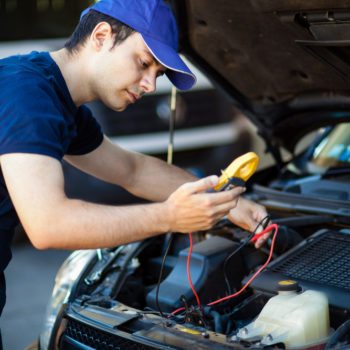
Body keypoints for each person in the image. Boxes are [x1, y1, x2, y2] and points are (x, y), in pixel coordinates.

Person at [0, 0, 269, 346]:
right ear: (101, 36)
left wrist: (228, 203)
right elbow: (48, 225)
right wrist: (171, 216)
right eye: (143, 63)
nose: (150, 85)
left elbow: (133, 170)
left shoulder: (56, 99)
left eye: (156, 73)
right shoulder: (27, 96)